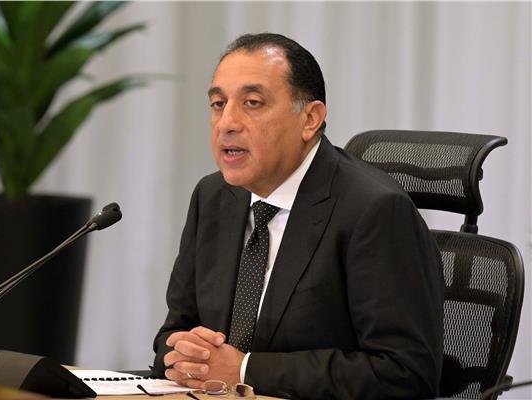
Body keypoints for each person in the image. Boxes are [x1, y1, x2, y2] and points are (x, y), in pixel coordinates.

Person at [152, 32, 444, 399]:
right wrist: (183, 355)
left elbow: (405, 373)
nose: (226, 122)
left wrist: (244, 370)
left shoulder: (373, 210)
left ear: (310, 118)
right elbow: (173, 334)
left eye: (252, 103)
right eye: (218, 103)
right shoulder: (214, 197)